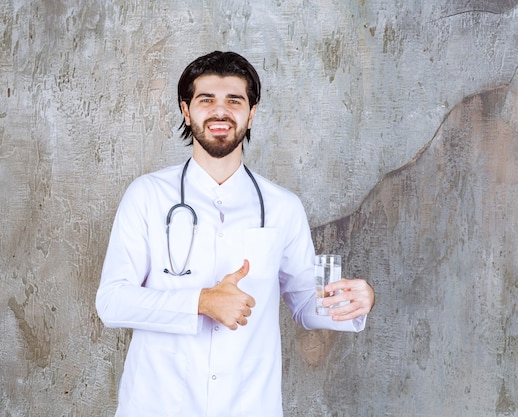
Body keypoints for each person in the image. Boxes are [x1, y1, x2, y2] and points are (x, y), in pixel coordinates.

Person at [96, 51, 375, 417]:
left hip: (249, 404)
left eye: (234, 100)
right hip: (159, 402)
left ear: (251, 112)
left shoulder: (283, 207)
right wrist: (201, 301)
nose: (220, 111)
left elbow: (307, 305)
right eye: (206, 99)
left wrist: (353, 302)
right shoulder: (147, 195)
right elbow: (112, 302)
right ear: (186, 110)